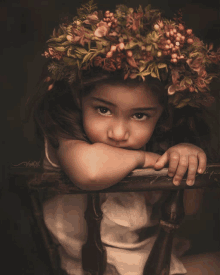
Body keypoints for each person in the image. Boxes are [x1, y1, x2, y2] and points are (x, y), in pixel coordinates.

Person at [25, 2, 220, 274]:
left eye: (140, 116)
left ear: (162, 114)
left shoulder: (159, 140)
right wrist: (148, 159)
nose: (118, 133)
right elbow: (90, 171)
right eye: (103, 109)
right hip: (91, 263)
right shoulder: (66, 134)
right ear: (79, 97)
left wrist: (184, 158)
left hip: (147, 255)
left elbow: (190, 207)